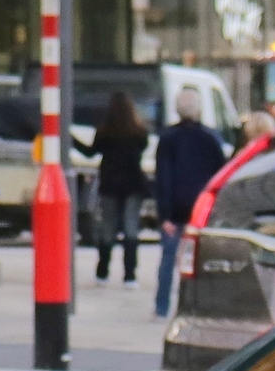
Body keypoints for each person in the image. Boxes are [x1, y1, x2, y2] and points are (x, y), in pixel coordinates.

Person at [151, 86, 228, 319]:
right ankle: (196, 305)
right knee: (200, 260)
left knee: (168, 259)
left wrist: (164, 215)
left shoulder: (167, 138)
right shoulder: (211, 138)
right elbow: (220, 175)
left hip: (174, 209)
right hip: (201, 208)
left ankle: (162, 305)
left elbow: (163, 177)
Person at [90, 92, 148, 284]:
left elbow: (91, 152)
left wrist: (70, 139)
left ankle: (102, 272)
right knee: (131, 228)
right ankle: (130, 275)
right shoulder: (139, 133)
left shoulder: (104, 133)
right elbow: (143, 148)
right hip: (132, 184)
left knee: (108, 228)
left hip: (110, 184)